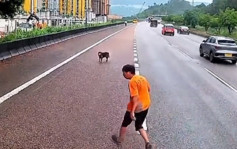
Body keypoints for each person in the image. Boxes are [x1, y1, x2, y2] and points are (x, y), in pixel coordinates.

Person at [112, 64, 152, 149]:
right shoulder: (142, 78)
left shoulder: (132, 82)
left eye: (124, 73)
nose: (123, 75)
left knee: (125, 124)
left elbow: (135, 97)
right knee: (139, 125)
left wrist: (132, 111)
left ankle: (119, 140)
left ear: (129, 73)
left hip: (136, 107)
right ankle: (147, 143)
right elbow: (149, 89)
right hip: (146, 105)